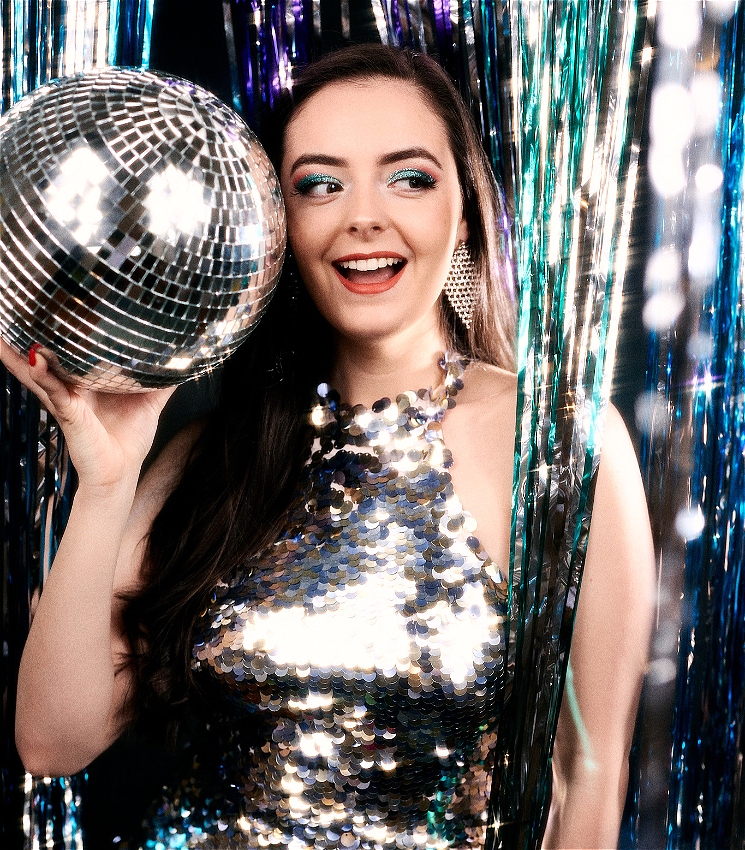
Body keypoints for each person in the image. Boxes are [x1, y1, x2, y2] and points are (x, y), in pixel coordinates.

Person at [5, 45, 654, 849]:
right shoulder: (215, 455)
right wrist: (107, 482)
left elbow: (584, 776)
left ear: (465, 213)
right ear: (279, 229)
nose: (363, 216)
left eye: (408, 178)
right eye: (319, 183)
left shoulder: (559, 447)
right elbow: (51, 740)